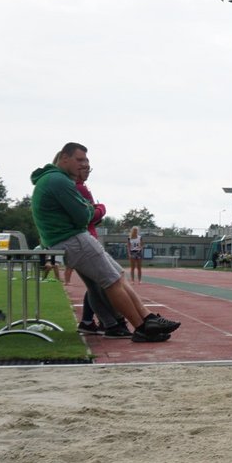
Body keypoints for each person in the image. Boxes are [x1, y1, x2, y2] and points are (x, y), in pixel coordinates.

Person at [31, 142, 179, 343]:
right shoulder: (59, 181)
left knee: (117, 275)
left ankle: (147, 318)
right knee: (112, 282)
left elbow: (81, 213)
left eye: (86, 161)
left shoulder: (51, 179)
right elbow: (83, 217)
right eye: (79, 160)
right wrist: (94, 209)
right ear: (64, 158)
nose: (84, 164)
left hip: (66, 240)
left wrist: (87, 209)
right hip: (72, 239)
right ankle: (141, 327)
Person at [68, 156, 127, 337]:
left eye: (89, 169)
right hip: (86, 240)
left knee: (95, 286)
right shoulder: (78, 188)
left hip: (83, 239)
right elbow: (88, 215)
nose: (87, 172)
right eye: (83, 168)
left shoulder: (73, 187)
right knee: (105, 282)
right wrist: (101, 208)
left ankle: (97, 322)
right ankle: (112, 322)